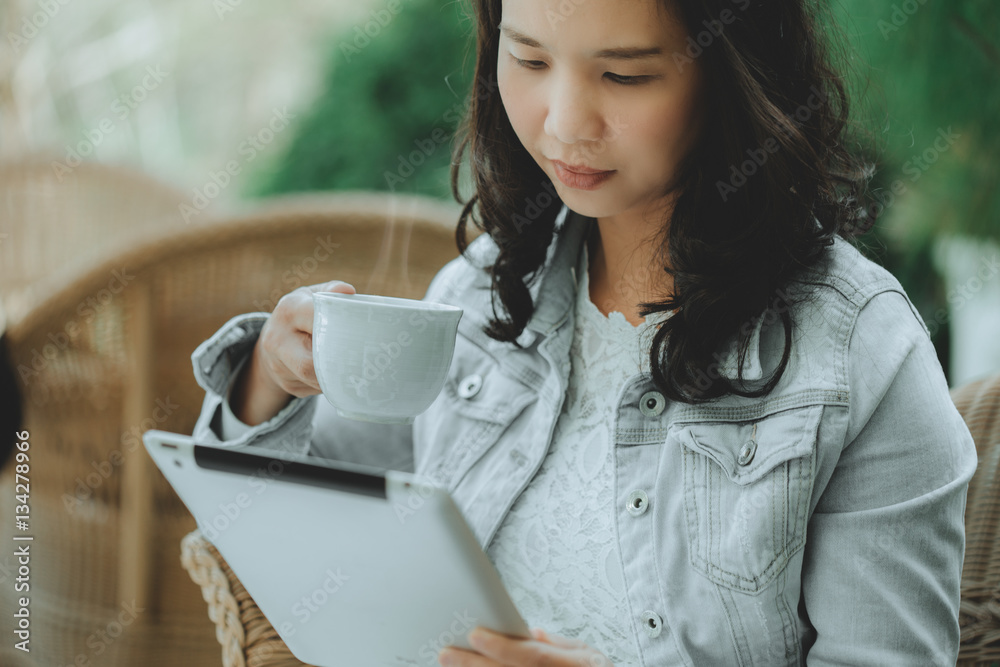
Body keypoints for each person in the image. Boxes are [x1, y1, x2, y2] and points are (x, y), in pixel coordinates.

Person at [190, 0, 979, 664]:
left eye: (624, 74)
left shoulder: (857, 354)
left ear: (735, 72)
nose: (564, 124)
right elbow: (289, 531)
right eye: (528, 60)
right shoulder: (477, 295)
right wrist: (270, 378)